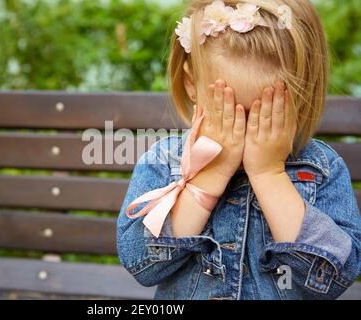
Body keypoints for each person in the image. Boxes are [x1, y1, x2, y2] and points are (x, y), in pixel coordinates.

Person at [116, 0, 361, 300]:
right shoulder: (164, 162)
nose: (244, 133)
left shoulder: (321, 169)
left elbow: (337, 278)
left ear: (302, 97)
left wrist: (269, 174)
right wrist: (208, 178)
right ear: (191, 83)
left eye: (265, 115)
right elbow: (140, 263)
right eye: (229, 113)